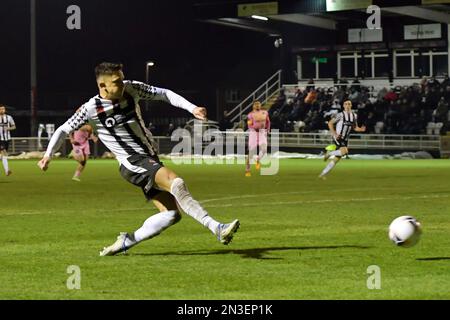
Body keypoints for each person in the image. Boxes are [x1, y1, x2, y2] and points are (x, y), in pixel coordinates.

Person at [37, 62, 240, 256]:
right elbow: (64, 129)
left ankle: (127, 241)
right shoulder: (90, 109)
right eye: (116, 81)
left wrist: (192, 108)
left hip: (148, 157)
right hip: (132, 162)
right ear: (102, 86)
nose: (122, 84)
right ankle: (217, 228)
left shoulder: (131, 88)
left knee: (171, 214)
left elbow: (163, 93)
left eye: (122, 79)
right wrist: (47, 155)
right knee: (176, 183)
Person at [319, 100, 366, 179]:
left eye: (349, 104)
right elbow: (330, 123)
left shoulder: (354, 116)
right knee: (345, 151)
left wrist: (361, 129)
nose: (347, 105)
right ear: (343, 106)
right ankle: (328, 153)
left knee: (337, 158)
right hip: (338, 137)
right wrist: (335, 134)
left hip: (345, 138)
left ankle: (323, 174)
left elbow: (354, 127)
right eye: (346, 104)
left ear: (351, 106)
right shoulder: (340, 115)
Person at [245, 101, 270, 177]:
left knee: (264, 149)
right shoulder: (250, 115)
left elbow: (268, 122)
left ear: (260, 105)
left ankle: (258, 160)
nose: (257, 105)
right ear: (253, 106)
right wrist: (254, 128)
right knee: (251, 152)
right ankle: (247, 169)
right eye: (255, 104)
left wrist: (268, 129)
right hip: (253, 133)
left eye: (258, 104)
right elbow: (249, 125)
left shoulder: (265, 113)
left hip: (262, 132)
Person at [0, 104, 16, 176]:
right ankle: (7, 170)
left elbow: (14, 126)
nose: (2, 110)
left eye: (3, 109)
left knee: (4, 155)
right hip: (0, 139)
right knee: (3, 152)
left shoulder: (9, 117)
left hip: (7, 139)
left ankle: (7, 170)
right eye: (0, 109)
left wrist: (8, 128)